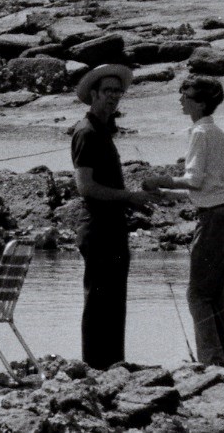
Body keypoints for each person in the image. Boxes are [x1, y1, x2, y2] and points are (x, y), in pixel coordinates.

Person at [142, 75, 224, 365]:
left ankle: (211, 360)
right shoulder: (218, 132)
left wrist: (159, 180)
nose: (181, 99)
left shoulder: (199, 132)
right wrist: (168, 194)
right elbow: (213, 185)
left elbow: (195, 180)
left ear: (200, 102)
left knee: (197, 294)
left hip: (214, 219)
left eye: (185, 95)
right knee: (216, 290)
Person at [70, 64, 158, 370]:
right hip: (97, 229)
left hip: (113, 227)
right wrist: (128, 196)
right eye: (107, 91)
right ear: (93, 94)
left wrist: (132, 202)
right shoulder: (87, 131)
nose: (114, 97)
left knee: (114, 303)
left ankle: (113, 366)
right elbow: (85, 187)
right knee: (98, 304)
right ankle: (95, 369)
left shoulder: (103, 130)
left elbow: (103, 186)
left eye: (117, 92)